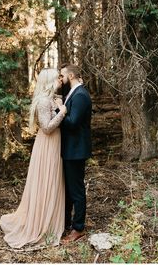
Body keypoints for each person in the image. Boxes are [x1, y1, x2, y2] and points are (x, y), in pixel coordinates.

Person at [0, 68, 67, 249]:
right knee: (46, 181)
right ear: (49, 81)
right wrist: (62, 112)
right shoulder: (43, 101)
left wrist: (59, 105)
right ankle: (41, 224)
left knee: (52, 181)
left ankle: (51, 220)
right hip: (47, 144)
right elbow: (46, 127)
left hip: (54, 144)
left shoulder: (52, 99)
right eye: (57, 78)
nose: (60, 80)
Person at [59, 64, 92, 243]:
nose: (60, 79)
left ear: (71, 75)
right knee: (70, 189)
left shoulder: (80, 95)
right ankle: (65, 223)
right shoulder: (72, 93)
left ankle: (78, 228)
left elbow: (72, 123)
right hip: (70, 149)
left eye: (62, 75)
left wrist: (59, 109)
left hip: (76, 150)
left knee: (77, 190)